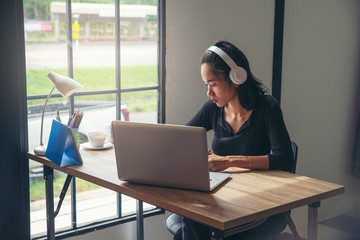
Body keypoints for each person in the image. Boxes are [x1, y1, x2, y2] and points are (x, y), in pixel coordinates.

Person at [173, 40, 294, 240]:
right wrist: (196, 153)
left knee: (190, 228)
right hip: (225, 198)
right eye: (206, 85)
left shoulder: (267, 108)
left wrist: (228, 160)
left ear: (236, 77)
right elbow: (181, 139)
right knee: (189, 224)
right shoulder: (213, 108)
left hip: (262, 206)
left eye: (213, 84)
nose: (208, 92)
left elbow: (284, 158)